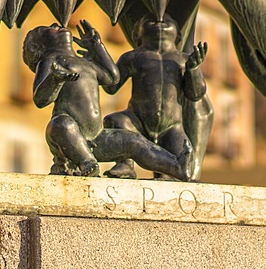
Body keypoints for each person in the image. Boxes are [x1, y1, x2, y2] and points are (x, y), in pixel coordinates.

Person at [23, 21, 191, 180]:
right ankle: (87, 163)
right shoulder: (51, 61)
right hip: (66, 136)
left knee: (135, 141)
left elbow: (112, 78)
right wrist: (55, 78)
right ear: (38, 46)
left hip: (96, 137)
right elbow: (40, 99)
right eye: (45, 30)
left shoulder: (86, 63)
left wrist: (98, 48)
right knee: (62, 124)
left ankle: (176, 166)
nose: (55, 25)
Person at [102, 15, 208, 179]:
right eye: (150, 20)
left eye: (169, 21)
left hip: (171, 128)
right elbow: (111, 86)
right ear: (137, 34)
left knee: (183, 158)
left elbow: (195, 94)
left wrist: (193, 70)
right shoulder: (133, 57)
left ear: (178, 35)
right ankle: (125, 164)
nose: (160, 21)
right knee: (116, 121)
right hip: (137, 122)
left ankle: (167, 173)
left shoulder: (184, 60)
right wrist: (99, 55)